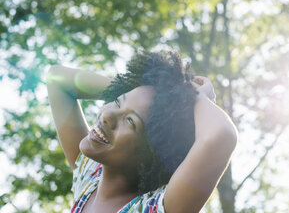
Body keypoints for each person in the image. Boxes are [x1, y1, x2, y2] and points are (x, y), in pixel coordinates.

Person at [46, 50, 238, 213]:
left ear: (150, 156)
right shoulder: (88, 179)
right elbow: (57, 79)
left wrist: (195, 97)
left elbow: (221, 136)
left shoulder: (153, 207)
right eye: (118, 101)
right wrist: (135, 87)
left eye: (130, 121)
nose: (108, 116)